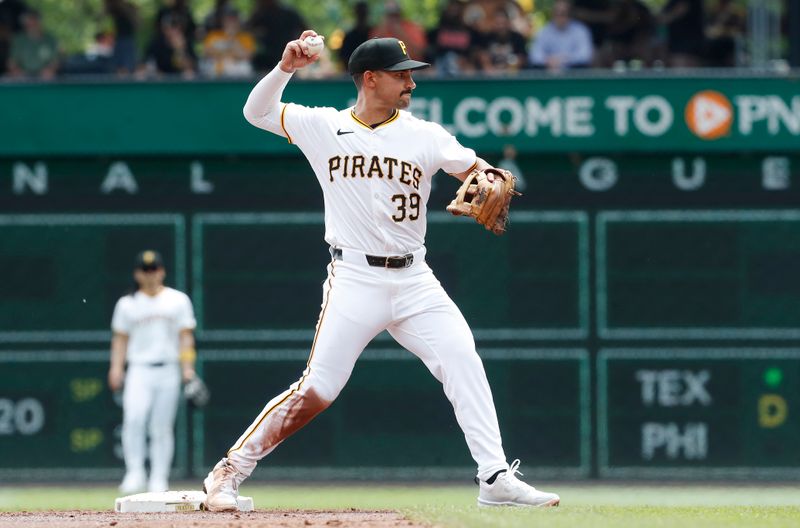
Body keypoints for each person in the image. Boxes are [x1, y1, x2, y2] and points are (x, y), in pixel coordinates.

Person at [201, 32, 561, 511]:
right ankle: (229, 471)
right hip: (354, 279)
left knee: (461, 358)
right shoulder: (322, 126)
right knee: (318, 388)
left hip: (415, 280)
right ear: (370, 79)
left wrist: (490, 175)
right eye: (400, 73)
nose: (410, 80)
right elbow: (256, 112)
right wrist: (285, 66)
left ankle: (493, 477)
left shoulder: (425, 135)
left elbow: (479, 170)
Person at [109, 250, 197, 494]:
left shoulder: (177, 300)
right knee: (134, 420)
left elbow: (186, 338)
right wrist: (116, 368)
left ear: (162, 271)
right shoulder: (127, 304)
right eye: (145, 270)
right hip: (139, 369)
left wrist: (187, 368)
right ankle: (135, 473)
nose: (150, 274)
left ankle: (159, 477)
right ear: (137, 274)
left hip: (168, 368)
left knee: (161, 426)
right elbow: (120, 340)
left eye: (154, 269)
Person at [529, 0, 593, 71]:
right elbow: (534, 56)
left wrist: (564, 59)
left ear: (570, 14)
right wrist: (548, 61)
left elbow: (585, 55)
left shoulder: (581, 30)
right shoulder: (544, 32)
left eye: (563, 13)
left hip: (575, 76)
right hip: (548, 75)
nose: (559, 17)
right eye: (556, 13)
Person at [201, 7, 255, 78]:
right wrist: (228, 54)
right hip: (216, 68)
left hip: (237, 70)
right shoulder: (214, 35)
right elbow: (206, 52)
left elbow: (247, 56)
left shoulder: (245, 37)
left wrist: (232, 39)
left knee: (246, 67)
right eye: (228, 20)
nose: (231, 23)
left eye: (234, 20)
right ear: (223, 21)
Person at [6, 9, 59, 79]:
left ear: (39, 22)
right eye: (29, 21)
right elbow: (12, 62)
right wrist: (16, 71)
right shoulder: (18, 40)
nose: (32, 24)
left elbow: (55, 61)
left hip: (45, 78)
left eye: (34, 20)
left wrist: (50, 70)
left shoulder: (50, 40)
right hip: (23, 78)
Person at [338, 1, 371, 70]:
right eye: (360, 13)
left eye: (363, 13)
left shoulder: (374, 34)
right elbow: (344, 59)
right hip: (353, 75)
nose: (362, 16)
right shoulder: (349, 37)